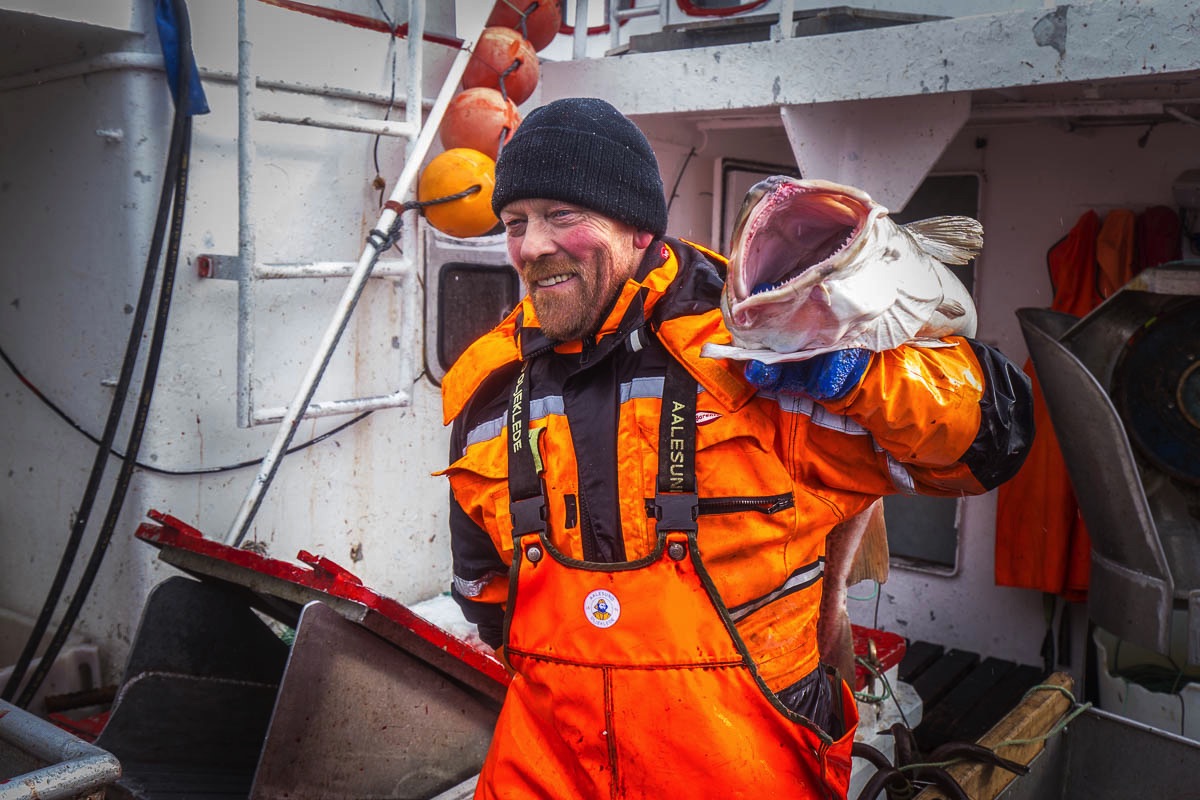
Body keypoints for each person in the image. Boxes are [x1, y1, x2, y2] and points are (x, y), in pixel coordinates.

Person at [438, 97, 1033, 799]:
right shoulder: (487, 387)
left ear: (637, 227)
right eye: (515, 223)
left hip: (741, 769)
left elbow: (989, 441)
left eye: (563, 216)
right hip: (544, 770)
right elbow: (485, 591)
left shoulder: (757, 339)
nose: (533, 246)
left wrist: (858, 373)